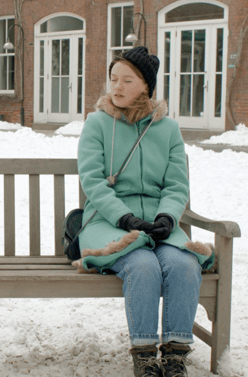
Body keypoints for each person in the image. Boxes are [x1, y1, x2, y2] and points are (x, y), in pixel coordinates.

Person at [72, 46, 214, 377]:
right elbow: (93, 182)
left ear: (146, 86)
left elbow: (177, 185)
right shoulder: (97, 124)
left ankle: (176, 356)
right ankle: (145, 357)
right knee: (143, 265)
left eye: (127, 80)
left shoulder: (167, 130)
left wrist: (167, 217)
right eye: (113, 79)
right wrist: (124, 218)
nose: (116, 87)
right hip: (108, 223)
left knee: (184, 263)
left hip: (157, 224)